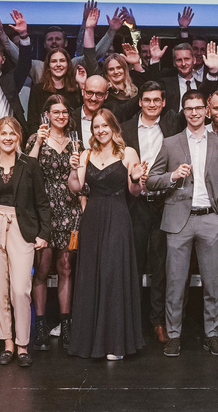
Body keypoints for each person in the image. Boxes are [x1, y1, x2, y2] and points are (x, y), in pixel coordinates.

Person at [146, 90, 218, 357]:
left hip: (210, 218)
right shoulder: (171, 143)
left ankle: (213, 335)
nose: (194, 113)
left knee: (212, 283)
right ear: (183, 112)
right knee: (175, 282)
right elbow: (151, 180)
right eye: (189, 108)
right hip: (178, 221)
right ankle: (174, 336)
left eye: (198, 108)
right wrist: (173, 176)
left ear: (206, 110)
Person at [65, 109, 147, 360]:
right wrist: (73, 169)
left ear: (114, 127)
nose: (100, 130)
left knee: (113, 275)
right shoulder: (87, 154)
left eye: (104, 126)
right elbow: (76, 189)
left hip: (118, 216)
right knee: (92, 276)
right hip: (93, 217)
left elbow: (134, 191)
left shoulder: (127, 153)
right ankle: (92, 341)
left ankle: (115, 343)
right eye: (96, 127)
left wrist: (136, 179)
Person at [0, 117, 50, 366]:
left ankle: (22, 344)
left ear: (19, 137)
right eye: (3, 133)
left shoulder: (29, 165)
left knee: (20, 289)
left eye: (12, 133)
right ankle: (7, 342)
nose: (7, 137)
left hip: (22, 229)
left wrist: (43, 234)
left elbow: (42, 202)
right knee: (0, 291)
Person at [122, 81, 178, 343]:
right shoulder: (124, 130)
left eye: (157, 100)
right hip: (135, 204)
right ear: (140, 102)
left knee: (160, 267)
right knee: (132, 265)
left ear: (164, 102)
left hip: (165, 203)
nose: (153, 104)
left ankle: (158, 322)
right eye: (147, 100)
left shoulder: (172, 124)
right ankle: (130, 322)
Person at [27, 93, 81, 349]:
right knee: (41, 267)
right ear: (46, 114)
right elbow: (28, 169)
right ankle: (39, 325)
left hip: (69, 210)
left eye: (64, 112)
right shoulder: (37, 138)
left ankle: (66, 323)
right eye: (55, 112)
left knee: (66, 268)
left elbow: (80, 177)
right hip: (43, 210)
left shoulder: (75, 141)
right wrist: (38, 141)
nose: (61, 116)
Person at [26, 48, 79, 130]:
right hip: (44, 139)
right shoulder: (37, 90)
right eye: (54, 61)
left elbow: (78, 121)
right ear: (48, 66)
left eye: (62, 61)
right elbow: (32, 122)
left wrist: (82, 85)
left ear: (68, 65)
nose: (58, 64)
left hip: (69, 139)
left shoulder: (75, 91)